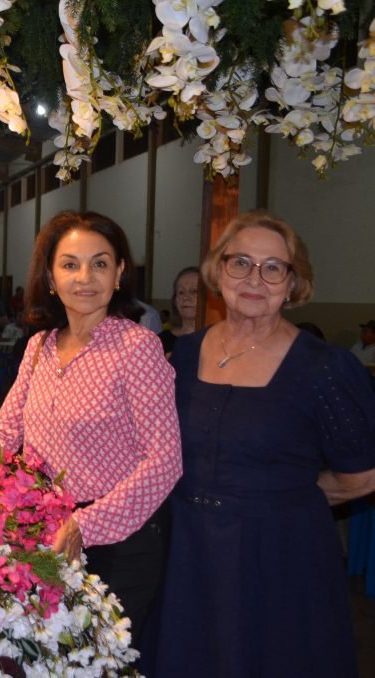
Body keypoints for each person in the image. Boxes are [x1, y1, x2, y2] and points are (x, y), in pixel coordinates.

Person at [0, 211, 182, 654]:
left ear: (119, 275)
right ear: (51, 278)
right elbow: (3, 432)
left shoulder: (137, 347)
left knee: (101, 657)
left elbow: (165, 461)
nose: (85, 277)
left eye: (100, 263)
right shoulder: (39, 347)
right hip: (49, 532)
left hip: (120, 540)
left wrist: (85, 524)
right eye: (70, 264)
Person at [153, 211, 375, 677]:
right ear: (218, 271)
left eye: (274, 267)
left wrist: (284, 498)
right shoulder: (183, 355)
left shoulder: (324, 369)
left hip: (280, 558)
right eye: (241, 263)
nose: (256, 278)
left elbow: (362, 475)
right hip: (188, 553)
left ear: (294, 284)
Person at [158, 266, 200, 354]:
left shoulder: (215, 340)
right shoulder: (161, 341)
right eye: (181, 292)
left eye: (194, 291)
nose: (186, 297)